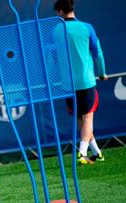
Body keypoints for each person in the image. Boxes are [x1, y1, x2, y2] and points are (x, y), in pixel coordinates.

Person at [54, 0, 107, 164]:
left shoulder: (56, 30)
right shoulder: (87, 27)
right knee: (87, 118)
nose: (56, 16)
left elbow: (54, 57)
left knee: (80, 119)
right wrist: (102, 73)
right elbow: (97, 53)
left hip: (67, 84)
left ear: (61, 12)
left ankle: (97, 153)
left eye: (57, 12)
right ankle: (82, 152)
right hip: (85, 82)